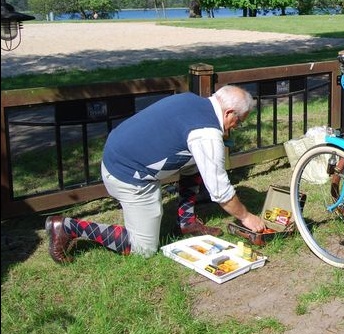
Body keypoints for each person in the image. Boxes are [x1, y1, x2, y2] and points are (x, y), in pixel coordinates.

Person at [44, 84, 266, 264]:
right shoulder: (206, 133)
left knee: (195, 161)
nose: (236, 127)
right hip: (127, 175)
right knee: (143, 249)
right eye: (239, 121)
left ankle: (186, 221)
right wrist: (246, 216)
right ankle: (67, 227)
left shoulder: (192, 100)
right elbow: (219, 190)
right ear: (229, 113)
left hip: (118, 155)